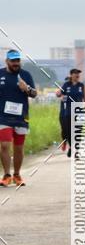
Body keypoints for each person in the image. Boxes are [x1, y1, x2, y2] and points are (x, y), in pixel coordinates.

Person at [0, 49, 37, 187]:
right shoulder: (0, 74)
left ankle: (16, 174)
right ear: (7, 61)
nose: (16, 63)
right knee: (4, 145)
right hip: (3, 117)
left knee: (19, 148)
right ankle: (6, 175)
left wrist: (26, 88)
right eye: (13, 61)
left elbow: (34, 94)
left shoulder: (25, 75)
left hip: (21, 117)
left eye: (18, 60)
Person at [56, 68, 85, 157]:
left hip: (79, 112)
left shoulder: (81, 85)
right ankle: (71, 147)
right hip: (69, 112)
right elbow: (59, 94)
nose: (77, 75)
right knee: (69, 131)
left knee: (79, 131)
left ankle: (76, 149)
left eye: (78, 73)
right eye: (75, 73)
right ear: (71, 75)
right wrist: (58, 94)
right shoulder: (66, 85)